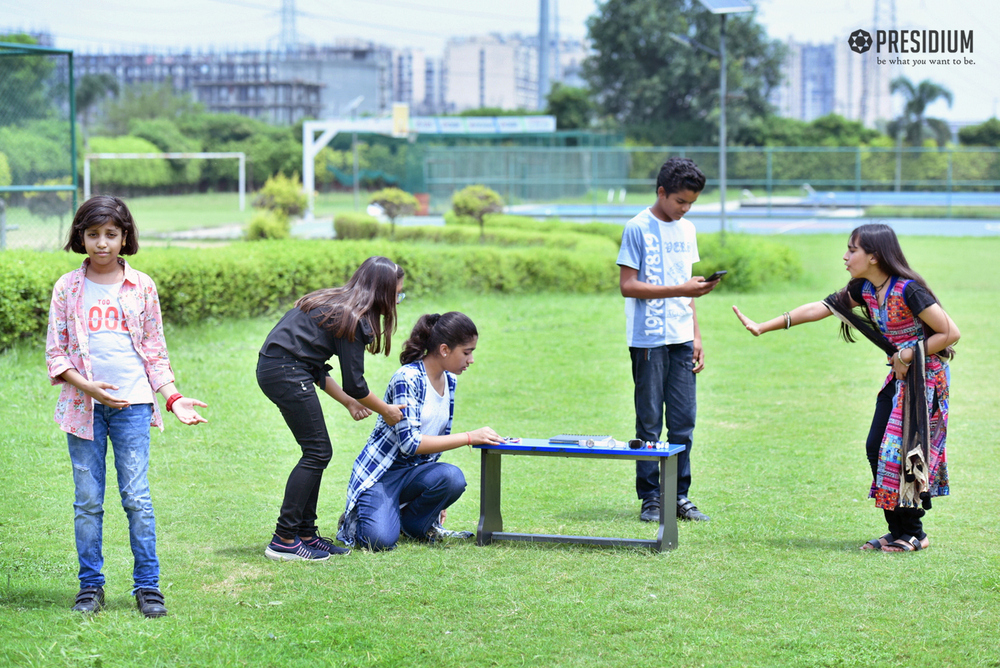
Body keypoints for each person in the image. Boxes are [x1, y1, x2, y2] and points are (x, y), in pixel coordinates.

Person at [733, 223, 959, 553]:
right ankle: (896, 529)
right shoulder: (864, 289)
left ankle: (914, 533)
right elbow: (822, 307)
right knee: (876, 447)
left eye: (852, 250)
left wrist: (907, 354)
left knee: (905, 455)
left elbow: (950, 333)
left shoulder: (909, 290)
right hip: (899, 379)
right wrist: (763, 327)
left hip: (926, 382)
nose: (845, 256)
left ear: (874, 256)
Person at [46, 195, 208, 618]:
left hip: (134, 406)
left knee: (136, 497)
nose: (102, 243)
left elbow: (154, 351)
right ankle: (90, 587)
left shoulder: (143, 287)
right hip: (83, 409)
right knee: (87, 500)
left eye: (111, 234)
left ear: (125, 237)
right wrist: (91, 389)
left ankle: (148, 587)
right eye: (93, 234)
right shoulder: (67, 287)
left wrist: (172, 397)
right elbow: (56, 355)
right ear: (80, 237)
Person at [257, 256, 407, 561]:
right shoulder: (353, 317)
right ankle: (284, 539)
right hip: (285, 371)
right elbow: (356, 383)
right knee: (317, 451)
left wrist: (349, 403)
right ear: (381, 293)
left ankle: (305, 535)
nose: (398, 302)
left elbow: (315, 364)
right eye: (397, 295)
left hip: (283, 367)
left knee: (316, 451)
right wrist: (386, 410)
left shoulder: (334, 303)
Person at [337, 312, 503, 551]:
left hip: (414, 473)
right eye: (467, 352)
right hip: (383, 474)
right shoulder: (408, 378)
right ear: (445, 350)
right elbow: (410, 444)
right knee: (379, 541)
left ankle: (413, 524)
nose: (471, 359)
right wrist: (469, 437)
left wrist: (437, 500)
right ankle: (357, 520)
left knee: (452, 477)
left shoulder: (450, 381)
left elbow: (435, 440)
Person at [616, 157, 721, 523]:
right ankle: (651, 498)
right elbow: (628, 286)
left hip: (680, 338)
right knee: (648, 423)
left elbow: (687, 289)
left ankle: (678, 495)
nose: (685, 209)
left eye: (691, 203)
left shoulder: (687, 230)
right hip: (647, 341)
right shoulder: (637, 228)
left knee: (683, 422)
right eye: (680, 201)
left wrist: (696, 335)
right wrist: (680, 289)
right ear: (661, 192)